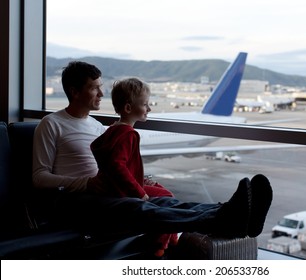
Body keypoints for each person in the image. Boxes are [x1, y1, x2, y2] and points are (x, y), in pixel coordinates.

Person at [32, 61, 273, 257]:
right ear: (74, 92)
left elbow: (111, 164)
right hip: (73, 200)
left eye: (101, 86)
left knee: (166, 201)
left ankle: (231, 212)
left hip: (102, 191)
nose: (102, 93)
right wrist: (86, 183)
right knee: (137, 205)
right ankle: (224, 218)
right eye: (95, 88)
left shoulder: (97, 126)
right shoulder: (51, 124)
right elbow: (39, 178)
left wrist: (135, 177)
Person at [89, 77, 178, 257]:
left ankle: (172, 236)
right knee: (167, 197)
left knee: (159, 189)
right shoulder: (129, 134)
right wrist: (139, 192)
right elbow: (117, 166)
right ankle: (161, 245)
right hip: (119, 191)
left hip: (109, 188)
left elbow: (100, 152)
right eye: (145, 104)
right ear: (129, 108)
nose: (149, 109)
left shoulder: (113, 130)